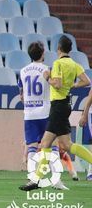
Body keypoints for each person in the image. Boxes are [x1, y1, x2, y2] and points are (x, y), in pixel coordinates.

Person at [20, 36, 92, 191]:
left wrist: (48, 79)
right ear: (70, 49)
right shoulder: (74, 64)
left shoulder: (58, 63)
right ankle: (37, 180)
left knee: (46, 144)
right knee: (66, 145)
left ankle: (36, 180)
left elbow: (57, 84)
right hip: (65, 104)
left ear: (59, 49)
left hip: (57, 106)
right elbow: (87, 82)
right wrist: (72, 85)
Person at [18, 42, 69, 189]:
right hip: (46, 112)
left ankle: (33, 178)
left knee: (32, 146)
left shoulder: (23, 71)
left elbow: (21, 95)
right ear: (42, 54)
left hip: (29, 113)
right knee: (52, 146)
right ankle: (56, 180)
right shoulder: (48, 69)